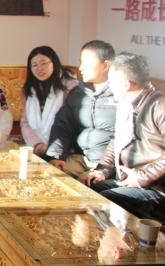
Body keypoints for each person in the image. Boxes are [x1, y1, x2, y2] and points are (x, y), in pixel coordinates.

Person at [82, 52, 165, 226]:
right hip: (144, 183)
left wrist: (143, 177)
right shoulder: (126, 105)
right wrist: (103, 170)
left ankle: (123, 241)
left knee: (108, 201)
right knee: (89, 188)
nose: (109, 86)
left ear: (126, 84)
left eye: (111, 81)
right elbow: (117, 141)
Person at [45, 40, 117, 180]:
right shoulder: (77, 93)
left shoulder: (121, 94)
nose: (81, 67)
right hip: (80, 158)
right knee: (47, 174)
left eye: (86, 62)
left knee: (82, 183)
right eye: (80, 62)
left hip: (107, 164)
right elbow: (62, 125)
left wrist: (105, 168)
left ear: (106, 65)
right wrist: (57, 156)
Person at [20, 46, 78, 156]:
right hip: (37, 148)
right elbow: (25, 122)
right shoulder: (30, 90)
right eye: (34, 65)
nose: (39, 68)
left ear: (54, 63)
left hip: (63, 149)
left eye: (43, 63)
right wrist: (37, 145)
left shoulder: (70, 88)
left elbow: (73, 124)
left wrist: (54, 146)